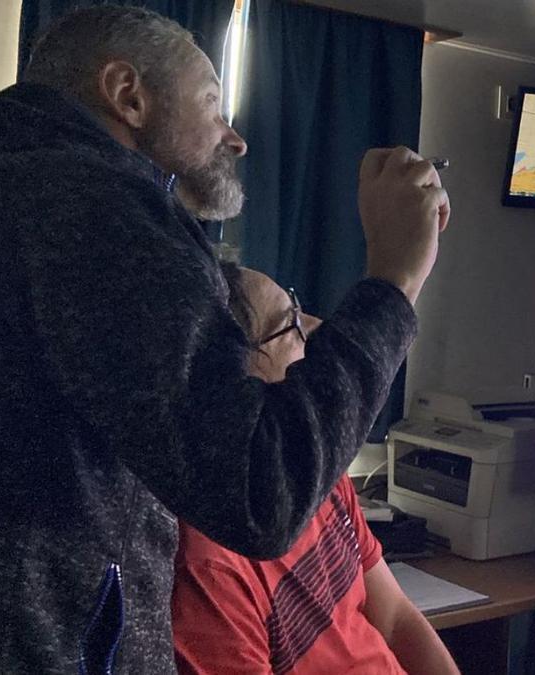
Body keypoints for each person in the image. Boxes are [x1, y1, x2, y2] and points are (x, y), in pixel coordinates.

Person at [0, 6, 449, 673]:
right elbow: (262, 495)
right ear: (127, 94)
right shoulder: (91, 207)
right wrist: (395, 278)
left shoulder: (6, 180)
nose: (236, 138)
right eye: (212, 103)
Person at [171, 265, 459, 675]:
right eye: (289, 324)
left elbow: (396, 620)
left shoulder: (311, 468)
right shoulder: (206, 566)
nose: (317, 326)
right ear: (236, 378)